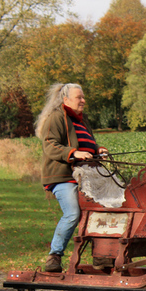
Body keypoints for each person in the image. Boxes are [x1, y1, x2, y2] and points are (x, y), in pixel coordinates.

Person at [34, 83, 109, 272]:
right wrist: (74, 153)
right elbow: (50, 145)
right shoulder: (57, 117)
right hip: (63, 176)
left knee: (105, 208)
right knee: (73, 213)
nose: (83, 100)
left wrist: (97, 149)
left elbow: (87, 142)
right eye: (79, 97)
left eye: (83, 97)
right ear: (65, 99)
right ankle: (54, 256)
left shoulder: (81, 120)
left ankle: (101, 257)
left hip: (87, 176)